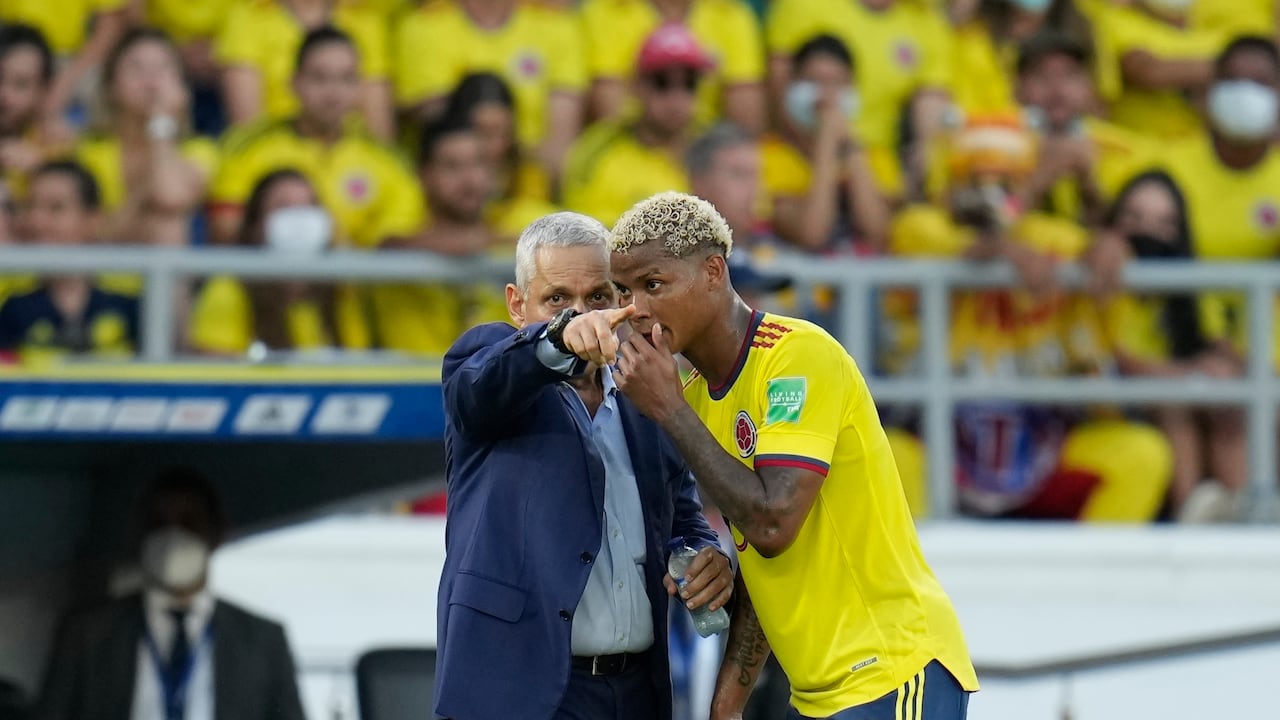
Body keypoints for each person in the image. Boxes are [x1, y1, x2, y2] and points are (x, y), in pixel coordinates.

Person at [607, 191, 978, 719]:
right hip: (820, 695)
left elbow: (773, 524)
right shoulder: (694, 399)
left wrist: (668, 409)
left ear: (713, 272)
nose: (635, 308)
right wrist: (727, 706)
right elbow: (762, 560)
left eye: (653, 284)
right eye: (623, 289)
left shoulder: (796, 356)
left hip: (892, 671)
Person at [437, 211, 732, 719]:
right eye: (557, 300)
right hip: (519, 694)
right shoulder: (486, 360)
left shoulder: (647, 390)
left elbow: (680, 514)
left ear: (621, 299)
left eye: (598, 296)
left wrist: (704, 556)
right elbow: (478, 390)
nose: (581, 314)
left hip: (635, 693)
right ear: (516, 304)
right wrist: (555, 341)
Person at [34, 467, 306, 720]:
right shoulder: (87, 633)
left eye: (189, 524)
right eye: (157, 524)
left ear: (217, 533)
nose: (172, 536)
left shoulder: (262, 640)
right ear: (138, 534)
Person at [1100, 171, 1245, 522]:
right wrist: (1190, 374)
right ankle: (1189, 515)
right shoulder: (1103, 287)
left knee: (1231, 398)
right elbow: (1123, 363)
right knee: (1174, 399)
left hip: (1183, 386)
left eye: (1164, 223)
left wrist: (1225, 371)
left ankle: (1242, 512)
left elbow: (1223, 349)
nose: (1149, 232)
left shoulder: (1192, 286)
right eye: (1134, 218)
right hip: (1116, 402)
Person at [209, 26, 423, 252]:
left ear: (359, 87)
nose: (333, 93)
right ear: (294, 83)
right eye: (319, 78)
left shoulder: (387, 160)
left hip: (358, 286)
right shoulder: (250, 150)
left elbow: (402, 238)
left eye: (346, 79)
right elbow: (225, 232)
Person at [764, 0, 953, 200]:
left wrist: (925, 170)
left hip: (879, 170)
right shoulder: (802, 5)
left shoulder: (928, 22)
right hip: (800, 163)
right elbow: (782, 102)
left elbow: (932, 124)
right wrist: (828, 159)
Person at [393, 0, 585, 181]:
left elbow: (558, 154)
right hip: (451, 192)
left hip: (529, 188)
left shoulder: (556, 26)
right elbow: (439, 137)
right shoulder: (424, 27)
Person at [188, 168, 364, 356]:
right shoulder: (227, 290)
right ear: (256, 225)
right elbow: (216, 379)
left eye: (310, 205)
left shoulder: (342, 293)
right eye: (283, 207)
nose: (299, 218)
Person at [76, 28, 218, 248]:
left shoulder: (199, 150)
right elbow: (96, 233)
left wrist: (161, 122)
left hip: (169, 271)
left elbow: (169, 196)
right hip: (100, 274)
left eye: (163, 68)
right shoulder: (88, 152)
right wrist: (145, 194)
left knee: (167, 223)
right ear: (111, 85)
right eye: (136, 68)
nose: (151, 81)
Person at [374, 115, 499, 356]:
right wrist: (474, 243)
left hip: (501, 385)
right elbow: (386, 244)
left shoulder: (517, 220)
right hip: (412, 384)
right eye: (452, 166)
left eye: (478, 164)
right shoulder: (399, 228)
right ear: (424, 176)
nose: (469, 179)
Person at [562, 23, 706, 225]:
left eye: (690, 83)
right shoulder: (597, 150)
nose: (677, 97)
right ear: (636, 85)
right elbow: (584, 231)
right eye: (661, 82)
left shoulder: (713, 151)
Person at [0, 161, 139, 364]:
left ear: (93, 219)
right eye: (29, 206)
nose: (37, 220)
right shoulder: (9, 299)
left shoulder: (129, 298)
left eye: (56, 208)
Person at [762, 34, 890, 253]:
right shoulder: (768, 156)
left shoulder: (876, 157)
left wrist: (849, 146)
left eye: (837, 83)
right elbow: (812, 234)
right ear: (792, 85)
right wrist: (827, 142)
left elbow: (878, 232)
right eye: (815, 81)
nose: (827, 96)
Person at [1014, 31, 1155, 227]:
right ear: (1018, 86)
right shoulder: (994, 144)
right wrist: (1040, 178)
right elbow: (984, 226)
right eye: (1041, 76)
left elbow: (1127, 235)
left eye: (1070, 75)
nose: (1058, 90)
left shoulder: (1122, 150)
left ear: (1089, 86)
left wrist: (1088, 185)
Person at [579, 0, 766, 133]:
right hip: (635, 144)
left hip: (704, 151)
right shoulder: (603, 10)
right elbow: (611, 118)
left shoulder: (732, 13)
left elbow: (746, 125)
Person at [215, 0, 393, 138]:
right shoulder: (248, 14)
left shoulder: (364, 18)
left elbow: (379, 130)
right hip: (275, 155)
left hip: (351, 156)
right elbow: (248, 128)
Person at [0, 24, 61, 200]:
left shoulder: (58, 151)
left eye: (21, 84)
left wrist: (42, 173)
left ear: (44, 91)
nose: (4, 95)